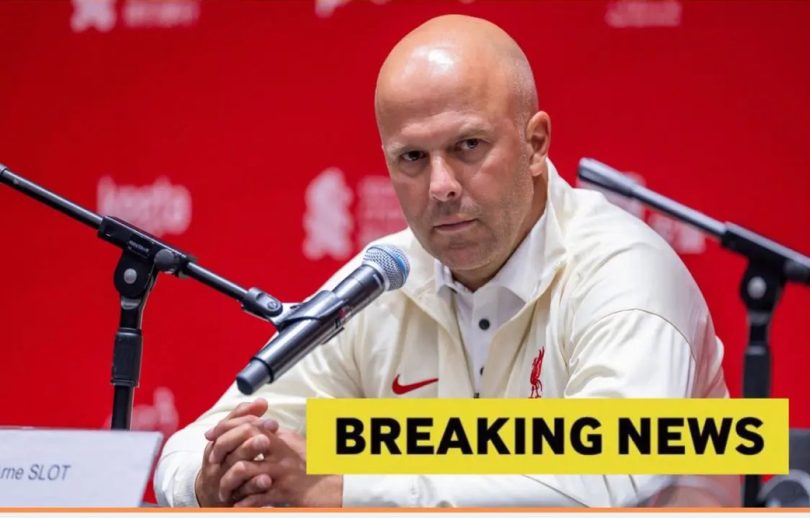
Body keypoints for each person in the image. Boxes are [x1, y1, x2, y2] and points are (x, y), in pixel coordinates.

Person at [155, 15, 739, 507]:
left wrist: (346, 487)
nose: (440, 186)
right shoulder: (382, 282)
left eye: (468, 146)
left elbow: (614, 475)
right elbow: (188, 447)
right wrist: (214, 479)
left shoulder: (624, 271)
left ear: (535, 144)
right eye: (412, 157)